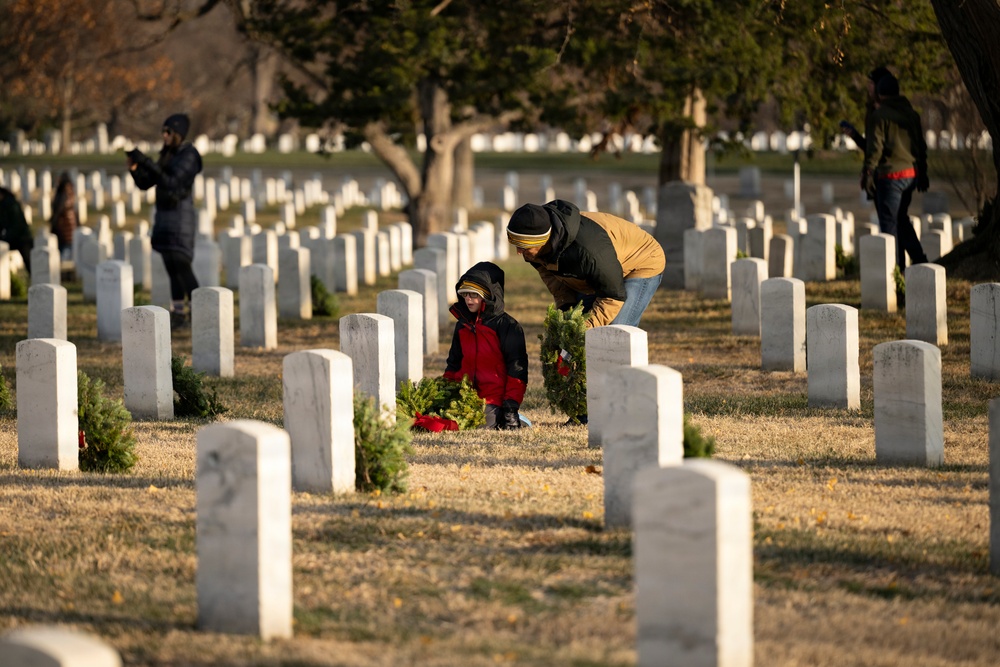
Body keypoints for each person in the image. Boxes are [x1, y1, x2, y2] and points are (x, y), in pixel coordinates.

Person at [507, 199, 665, 329]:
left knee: (613, 330)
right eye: (516, 245)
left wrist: (582, 331)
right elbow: (555, 281)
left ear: (542, 241)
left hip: (642, 259)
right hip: (600, 270)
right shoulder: (534, 250)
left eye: (523, 246)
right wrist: (566, 311)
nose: (519, 252)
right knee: (575, 323)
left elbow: (612, 295)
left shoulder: (588, 252)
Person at [127, 113, 202, 329]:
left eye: (168, 132)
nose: (165, 135)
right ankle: (178, 313)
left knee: (181, 263)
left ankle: (199, 311)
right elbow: (147, 183)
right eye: (163, 131)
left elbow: (172, 182)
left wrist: (147, 162)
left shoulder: (189, 155)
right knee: (170, 265)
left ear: (178, 133)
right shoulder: (168, 154)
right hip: (164, 216)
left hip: (180, 217)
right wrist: (136, 169)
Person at [443, 261, 528, 430]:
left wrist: (510, 407)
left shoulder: (508, 326)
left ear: (487, 295)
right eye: (465, 294)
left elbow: (517, 370)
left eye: (474, 295)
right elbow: (454, 363)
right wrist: (445, 391)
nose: (468, 299)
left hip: (493, 399)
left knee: (472, 426)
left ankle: (510, 417)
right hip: (464, 396)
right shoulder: (462, 325)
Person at [862, 73, 929, 270]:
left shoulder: (880, 116)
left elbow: (875, 148)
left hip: (890, 175)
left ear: (880, 94)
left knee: (889, 226)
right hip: (911, 174)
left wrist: (868, 172)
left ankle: (897, 270)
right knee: (901, 219)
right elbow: (920, 146)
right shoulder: (911, 114)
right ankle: (919, 260)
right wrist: (923, 172)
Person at [840, 66, 893, 152]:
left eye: (871, 83)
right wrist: (855, 136)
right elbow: (870, 147)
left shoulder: (891, 112)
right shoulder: (872, 109)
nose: (868, 87)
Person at [0, 185, 33, 274]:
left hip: (22, 238)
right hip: (12, 237)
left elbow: (16, 225)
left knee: (30, 263)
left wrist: (5, 237)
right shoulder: (2, 205)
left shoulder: (11, 204)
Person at [50, 172, 78, 261]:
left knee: (64, 251)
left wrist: (53, 222)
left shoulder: (63, 192)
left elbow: (59, 208)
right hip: (69, 226)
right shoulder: (70, 191)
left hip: (64, 227)